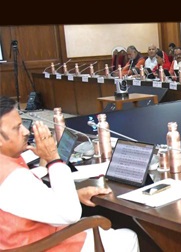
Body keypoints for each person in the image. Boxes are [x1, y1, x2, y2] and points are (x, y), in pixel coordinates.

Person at [0, 96, 139, 251]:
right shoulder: (13, 180)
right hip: (41, 246)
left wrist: (75, 194)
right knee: (128, 237)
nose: (26, 131)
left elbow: (29, 201)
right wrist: (53, 158)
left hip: (19, 238)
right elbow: (70, 213)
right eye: (17, 128)